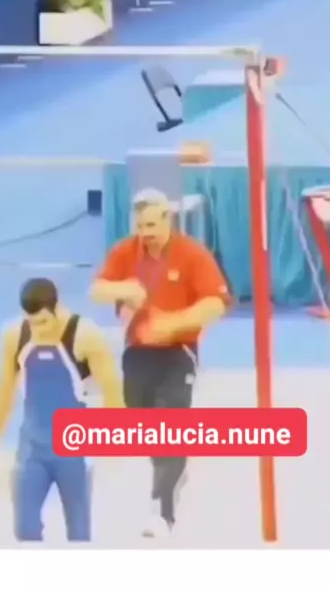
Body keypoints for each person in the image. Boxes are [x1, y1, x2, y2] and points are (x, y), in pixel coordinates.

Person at [90, 189, 230, 538]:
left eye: (152, 225)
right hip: (138, 352)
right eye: (140, 226)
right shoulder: (126, 250)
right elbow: (98, 289)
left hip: (178, 353)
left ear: (168, 219)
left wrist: (174, 323)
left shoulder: (192, 254)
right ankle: (173, 465)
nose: (146, 233)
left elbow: (215, 303)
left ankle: (162, 508)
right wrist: (124, 290)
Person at [0, 277, 123, 542]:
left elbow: (112, 389)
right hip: (32, 449)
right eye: (32, 323)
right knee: (25, 529)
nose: (38, 330)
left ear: (57, 308)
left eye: (44, 322)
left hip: (75, 452)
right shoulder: (14, 335)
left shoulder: (85, 334)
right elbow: (4, 390)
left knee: (78, 531)